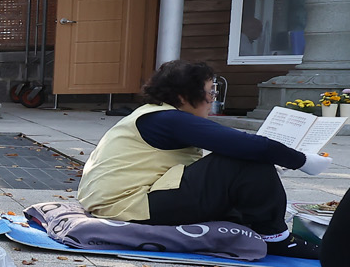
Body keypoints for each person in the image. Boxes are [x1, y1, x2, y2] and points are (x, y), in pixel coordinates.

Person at [77, 59, 329, 254]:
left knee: (243, 157)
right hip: (128, 204)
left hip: (124, 199)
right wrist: (303, 161)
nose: (212, 100)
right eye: (210, 92)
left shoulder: (156, 114)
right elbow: (247, 145)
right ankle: (276, 239)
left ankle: (261, 227)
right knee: (245, 157)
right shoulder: (168, 119)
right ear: (183, 96)